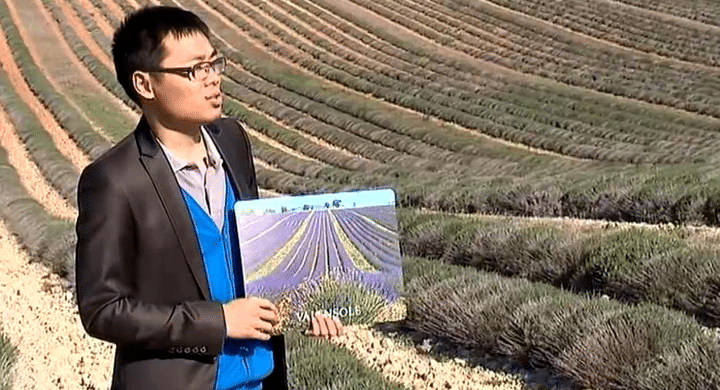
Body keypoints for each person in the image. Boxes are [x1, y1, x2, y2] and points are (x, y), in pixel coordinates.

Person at [75, 6, 342, 390]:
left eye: (214, 64)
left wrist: (304, 308)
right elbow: (103, 310)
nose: (212, 80)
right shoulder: (114, 180)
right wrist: (219, 321)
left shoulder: (232, 140)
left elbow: (254, 259)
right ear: (145, 85)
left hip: (263, 380)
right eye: (193, 70)